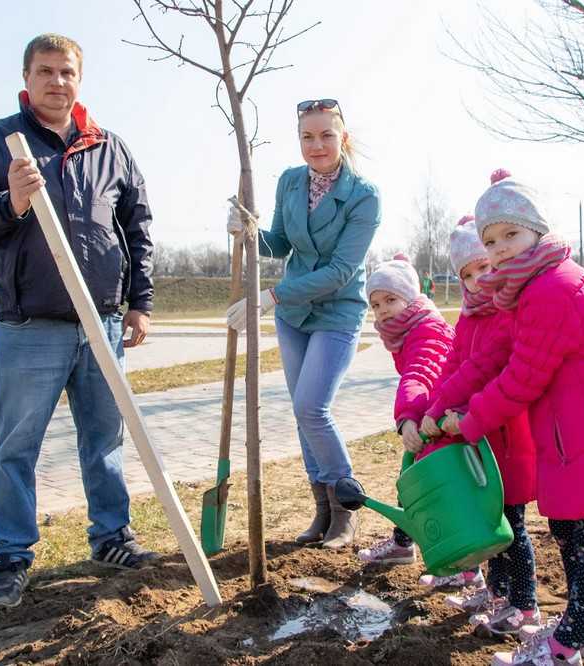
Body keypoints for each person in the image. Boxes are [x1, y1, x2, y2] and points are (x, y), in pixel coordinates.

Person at [0, 34, 158, 610]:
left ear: (79, 79)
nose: (57, 82)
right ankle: (11, 558)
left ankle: (111, 538)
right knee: (17, 447)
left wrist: (141, 301)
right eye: (45, 72)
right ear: (26, 77)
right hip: (30, 325)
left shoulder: (109, 148)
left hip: (103, 324)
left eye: (66, 72)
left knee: (104, 441)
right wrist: (8, 202)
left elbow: (137, 229)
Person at [440, 169, 584, 665]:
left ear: (538, 231)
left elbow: (522, 378)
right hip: (569, 434)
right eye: (491, 240)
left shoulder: (552, 288)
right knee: (567, 532)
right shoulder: (525, 289)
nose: (500, 249)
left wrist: (468, 421)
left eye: (511, 234)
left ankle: (564, 649)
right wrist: (441, 408)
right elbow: (489, 359)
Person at [225, 98, 380, 549]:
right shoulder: (291, 182)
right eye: (307, 137)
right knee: (302, 413)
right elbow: (279, 244)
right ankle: (322, 510)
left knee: (313, 407)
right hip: (294, 316)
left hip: (336, 311)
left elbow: (338, 272)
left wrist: (269, 297)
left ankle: (347, 507)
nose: (317, 145)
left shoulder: (364, 195)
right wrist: (248, 230)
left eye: (326, 135)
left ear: (342, 137)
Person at [418, 217, 538, 636]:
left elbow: (487, 370)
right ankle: (498, 594)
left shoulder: (507, 315)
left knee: (509, 525)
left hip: (507, 437)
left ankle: (524, 605)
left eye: (482, 269)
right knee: (485, 520)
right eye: (466, 274)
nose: (475, 281)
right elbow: (455, 367)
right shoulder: (468, 319)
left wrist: (452, 409)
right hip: (473, 437)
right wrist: (433, 408)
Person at [355, 258, 454, 565]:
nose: (382, 309)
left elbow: (420, 374)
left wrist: (407, 416)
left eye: (390, 299)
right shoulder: (408, 330)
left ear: (411, 297)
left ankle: (461, 564)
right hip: (434, 417)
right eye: (375, 304)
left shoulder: (426, 330)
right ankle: (403, 541)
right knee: (411, 476)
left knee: (441, 490)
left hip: (443, 422)